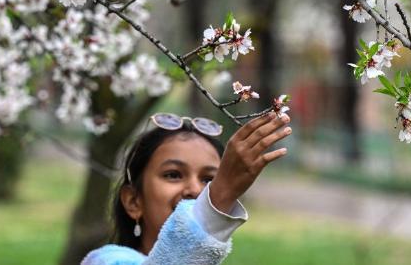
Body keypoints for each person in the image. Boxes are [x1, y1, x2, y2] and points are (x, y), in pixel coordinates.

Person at [82, 111, 292, 264]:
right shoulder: (106, 261)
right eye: (173, 175)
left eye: (208, 179)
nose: (194, 189)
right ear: (133, 201)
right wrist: (219, 195)